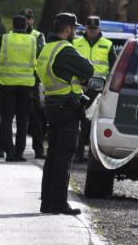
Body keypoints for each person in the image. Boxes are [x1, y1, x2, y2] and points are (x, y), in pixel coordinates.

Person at [35, 12, 94, 215]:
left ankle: (47, 202)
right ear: (68, 29)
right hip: (67, 108)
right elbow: (88, 70)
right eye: (74, 28)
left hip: (52, 105)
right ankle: (59, 203)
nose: (75, 32)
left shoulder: (46, 48)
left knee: (52, 155)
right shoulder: (65, 50)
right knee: (64, 157)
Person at [72, 15, 116, 162]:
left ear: (99, 28)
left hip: (98, 90)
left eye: (94, 28)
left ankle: (92, 155)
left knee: (92, 124)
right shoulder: (76, 42)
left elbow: (114, 68)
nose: (92, 31)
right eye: (89, 28)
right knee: (78, 122)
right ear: (85, 28)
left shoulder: (108, 44)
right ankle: (77, 154)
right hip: (79, 88)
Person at [0, 15, 38, 161]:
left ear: (12, 26)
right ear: (26, 27)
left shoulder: (4, 39)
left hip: (7, 84)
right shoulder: (33, 41)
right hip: (26, 87)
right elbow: (36, 62)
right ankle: (19, 153)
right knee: (22, 121)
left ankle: (9, 152)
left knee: (6, 120)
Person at [23, 8, 47, 159]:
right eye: (24, 18)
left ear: (32, 20)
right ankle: (8, 149)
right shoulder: (12, 35)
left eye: (29, 19)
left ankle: (38, 150)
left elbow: (41, 54)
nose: (27, 21)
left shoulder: (38, 35)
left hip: (33, 82)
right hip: (17, 82)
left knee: (37, 119)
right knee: (19, 119)